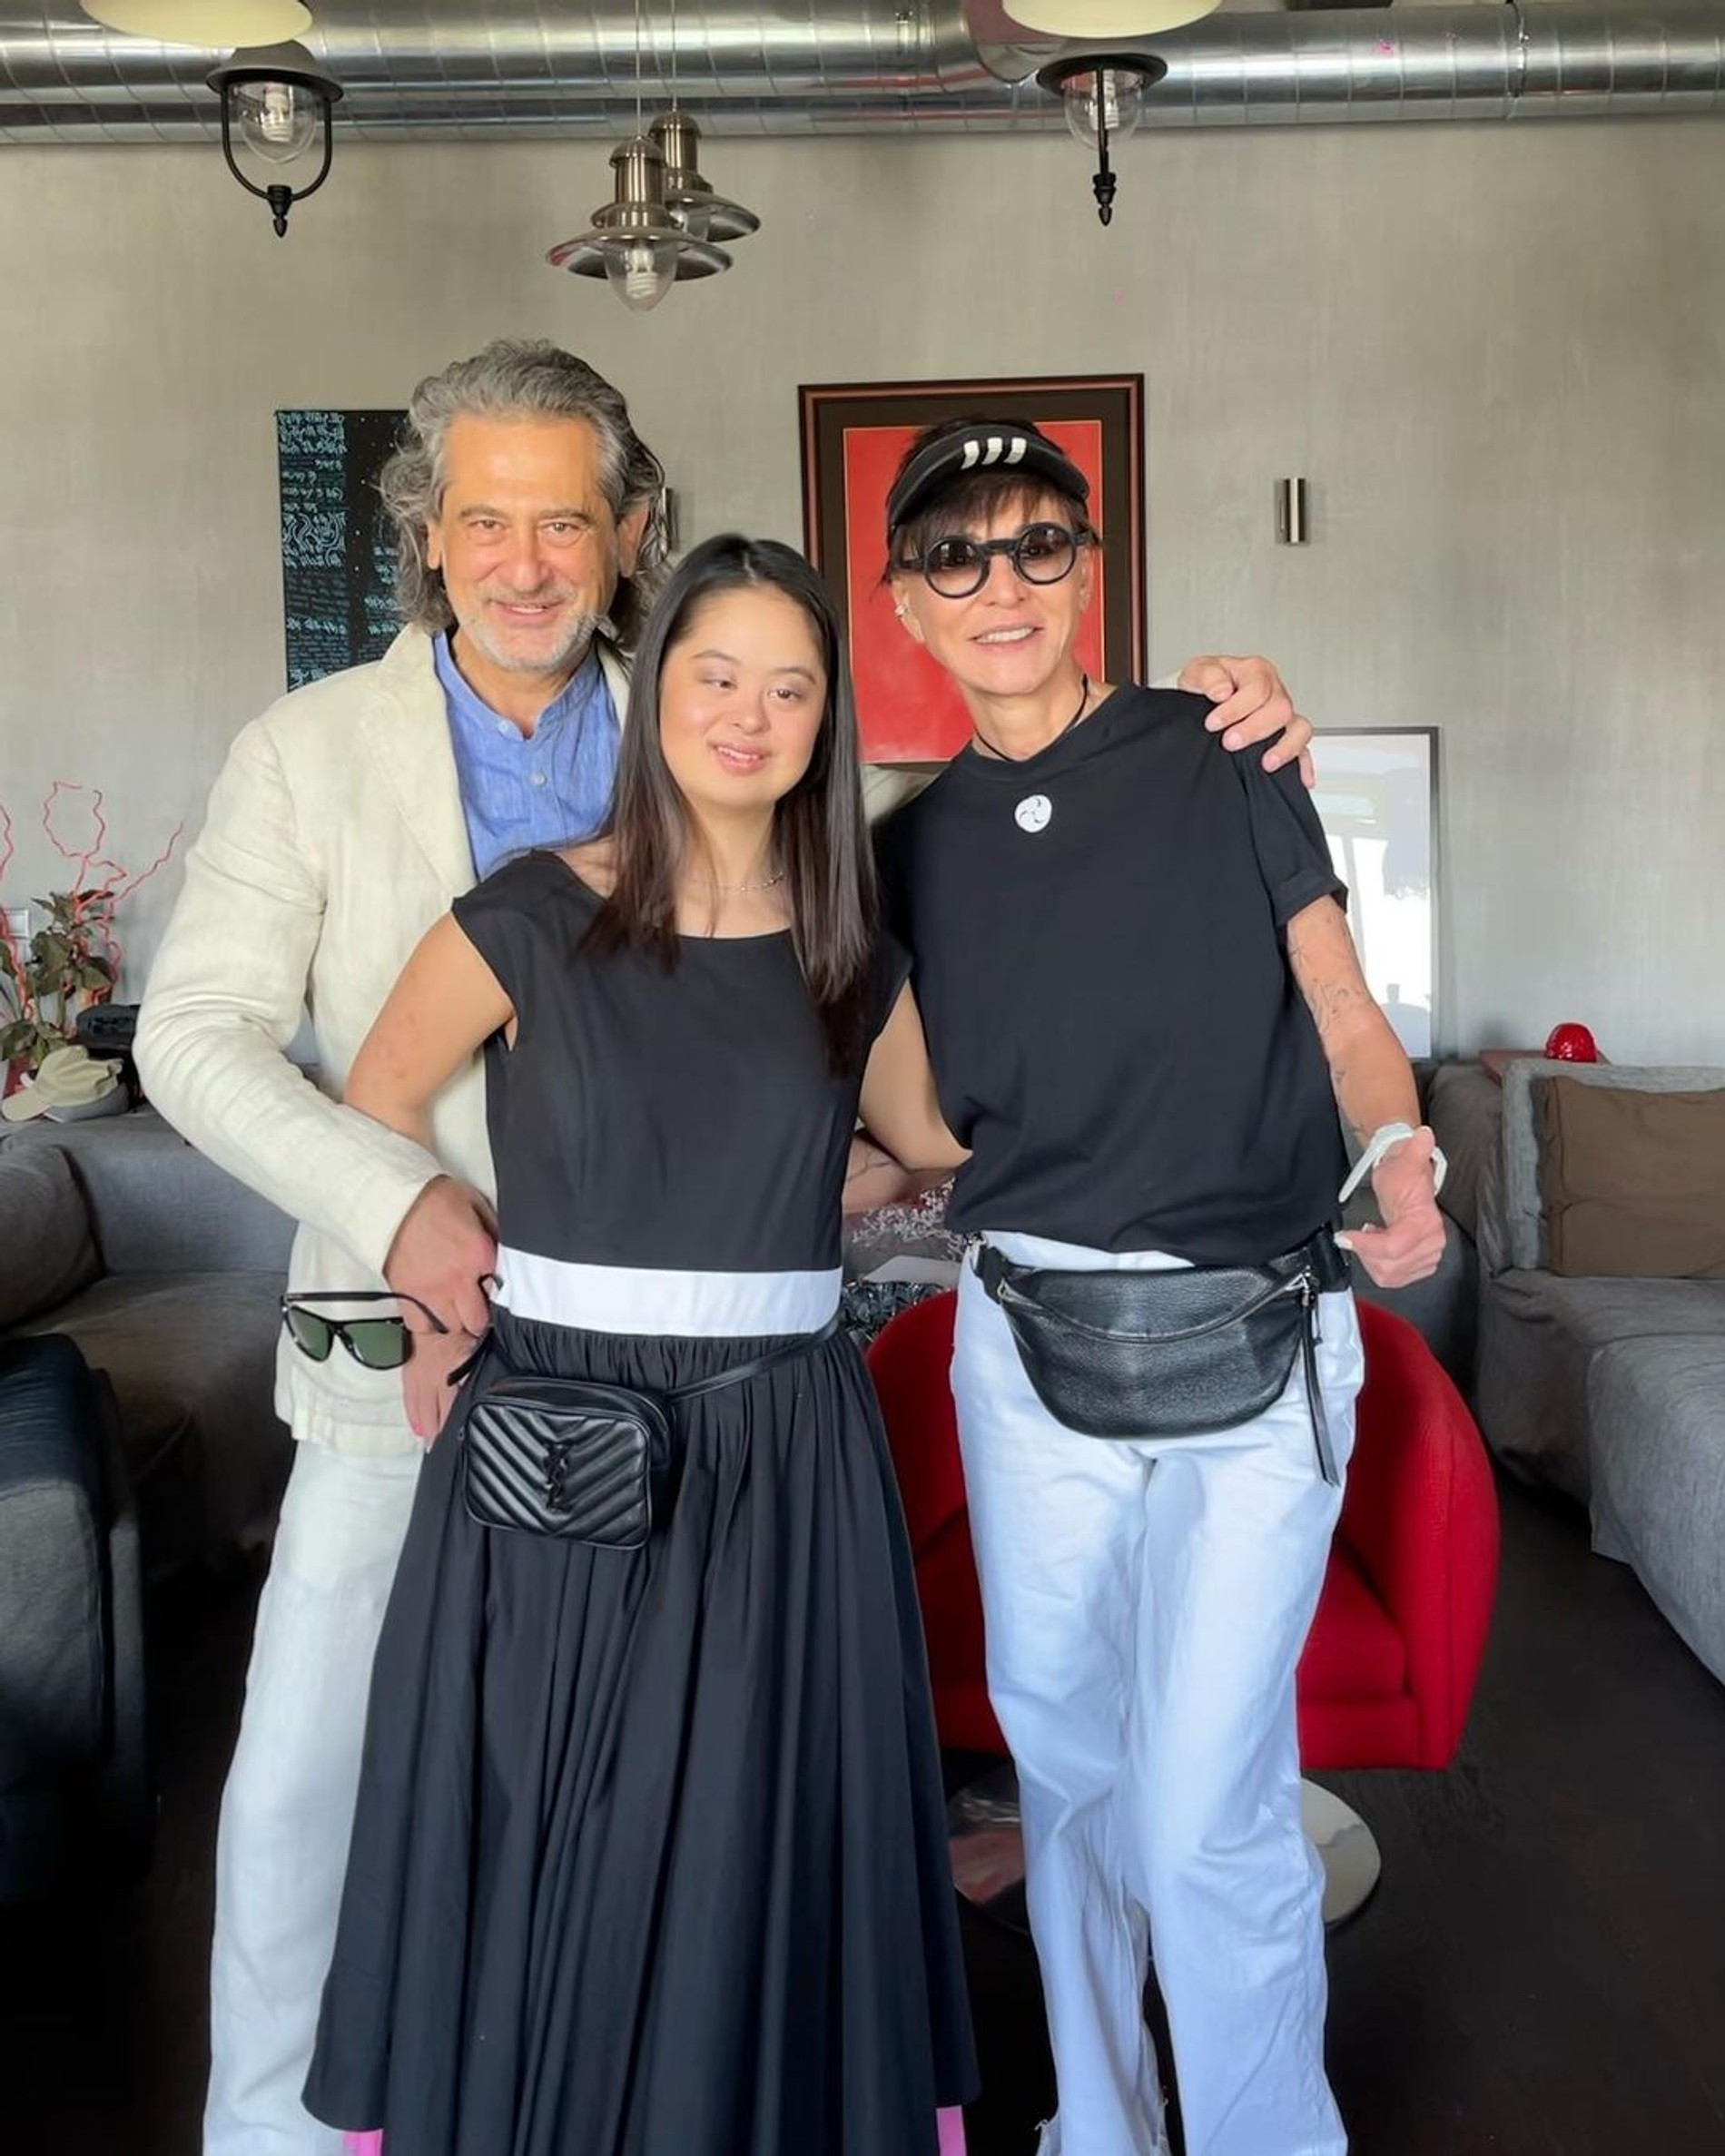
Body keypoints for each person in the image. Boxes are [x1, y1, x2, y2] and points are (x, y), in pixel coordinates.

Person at [135, 334, 1312, 2156]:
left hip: (745, 1399)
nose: (526, 559)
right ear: (427, 537)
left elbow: (905, 1038)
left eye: (565, 521)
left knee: (711, 1814)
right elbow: (206, 1043)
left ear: (630, 539)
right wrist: (405, 1224)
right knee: (330, 1785)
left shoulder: (727, 730)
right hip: (433, 1359)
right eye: (484, 520)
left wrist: (1217, 747)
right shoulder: (308, 752)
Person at [300, 535, 975, 2153]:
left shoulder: (852, 952)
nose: (749, 715)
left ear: (827, 720)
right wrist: (430, 1297)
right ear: (656, 686)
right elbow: (373, 1102)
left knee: (753, 1828)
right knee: (563, 1824)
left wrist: (828, 1173)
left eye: (790, 688)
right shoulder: (534, 912)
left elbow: (930, 1147)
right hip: (561, 1435)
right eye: (716, 675)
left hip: (787, 1444)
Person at [868, 417, 1448, 2156]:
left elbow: (1343, 1010)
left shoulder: (1223, 751)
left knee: (1204, 1802)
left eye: (1038, 543)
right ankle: (1101, 2130)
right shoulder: (905, 853)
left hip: (1258, 1333)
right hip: (1023, 1344)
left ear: (1091, 568)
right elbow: (924, 1139)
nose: (1002, 585)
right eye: (957, 555)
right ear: (905, 601)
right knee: (1071, 1782)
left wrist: (1399, 1149)